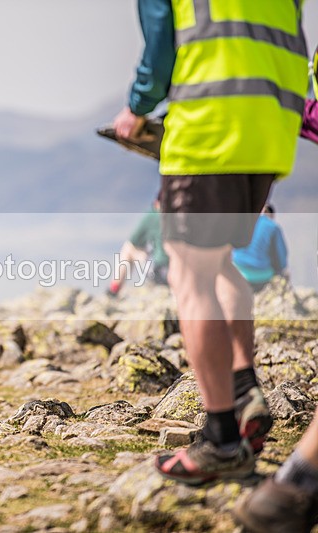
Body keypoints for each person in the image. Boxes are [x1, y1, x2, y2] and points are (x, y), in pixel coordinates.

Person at [113, 0, 308, 486]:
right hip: (270, 134)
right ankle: (244, 389)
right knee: (222, 265)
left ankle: (221, 438)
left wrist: (136, 110)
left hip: (209, 128)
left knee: (188, 276)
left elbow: (160, 54)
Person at [232, 45, 318, 533]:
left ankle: (300, 480)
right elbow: (280, 264)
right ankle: (301, 478)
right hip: (263, 280)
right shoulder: (274, 230)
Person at [108, 196, 169, 297]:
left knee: (129, 248)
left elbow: (134, 241)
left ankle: (113, 290)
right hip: (185, 272)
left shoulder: (154, 215)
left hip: (163, 273)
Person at [232, 204, 288, 292]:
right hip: (259, 275)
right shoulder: (273, 227)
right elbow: (281, 260)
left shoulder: (241, 221)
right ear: (271, 215)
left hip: (237, 270)